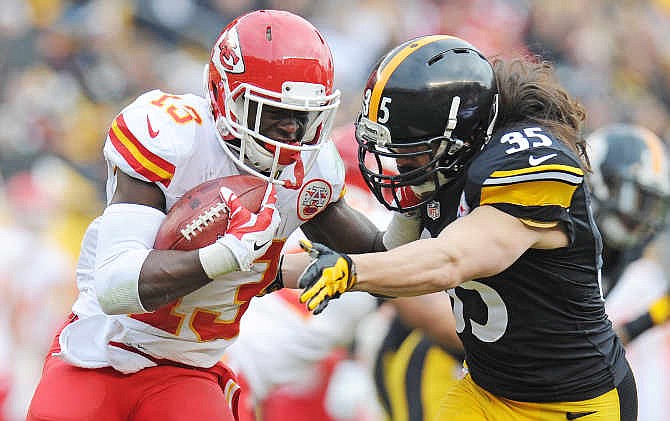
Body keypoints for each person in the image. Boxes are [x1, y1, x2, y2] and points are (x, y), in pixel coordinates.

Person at [26, 10, 385, 421]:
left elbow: (383, 258)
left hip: (188, 369)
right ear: (224, 94)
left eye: (304, 116)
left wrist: (422, 217)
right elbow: (115, 286)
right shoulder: (174, 137)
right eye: (274, 112)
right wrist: (225, 255)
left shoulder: (312, 173)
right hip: (106, 349)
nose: (290, 131)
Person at [284, 35, 638, 420]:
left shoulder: (529, 163)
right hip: (486, 392)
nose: (399, 166)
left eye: (410, 150)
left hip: (575, 404)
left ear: (459, 137)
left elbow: (451, 260)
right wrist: (272, 268)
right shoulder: (448, 167)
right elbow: (388, 260)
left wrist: (350, 272)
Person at [585, 124, 670, 421]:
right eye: (637, 198)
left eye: (651, 204)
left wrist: (635, 328)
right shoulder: (563, 233)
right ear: (600, 181)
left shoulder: (628, 251)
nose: (642, 215)